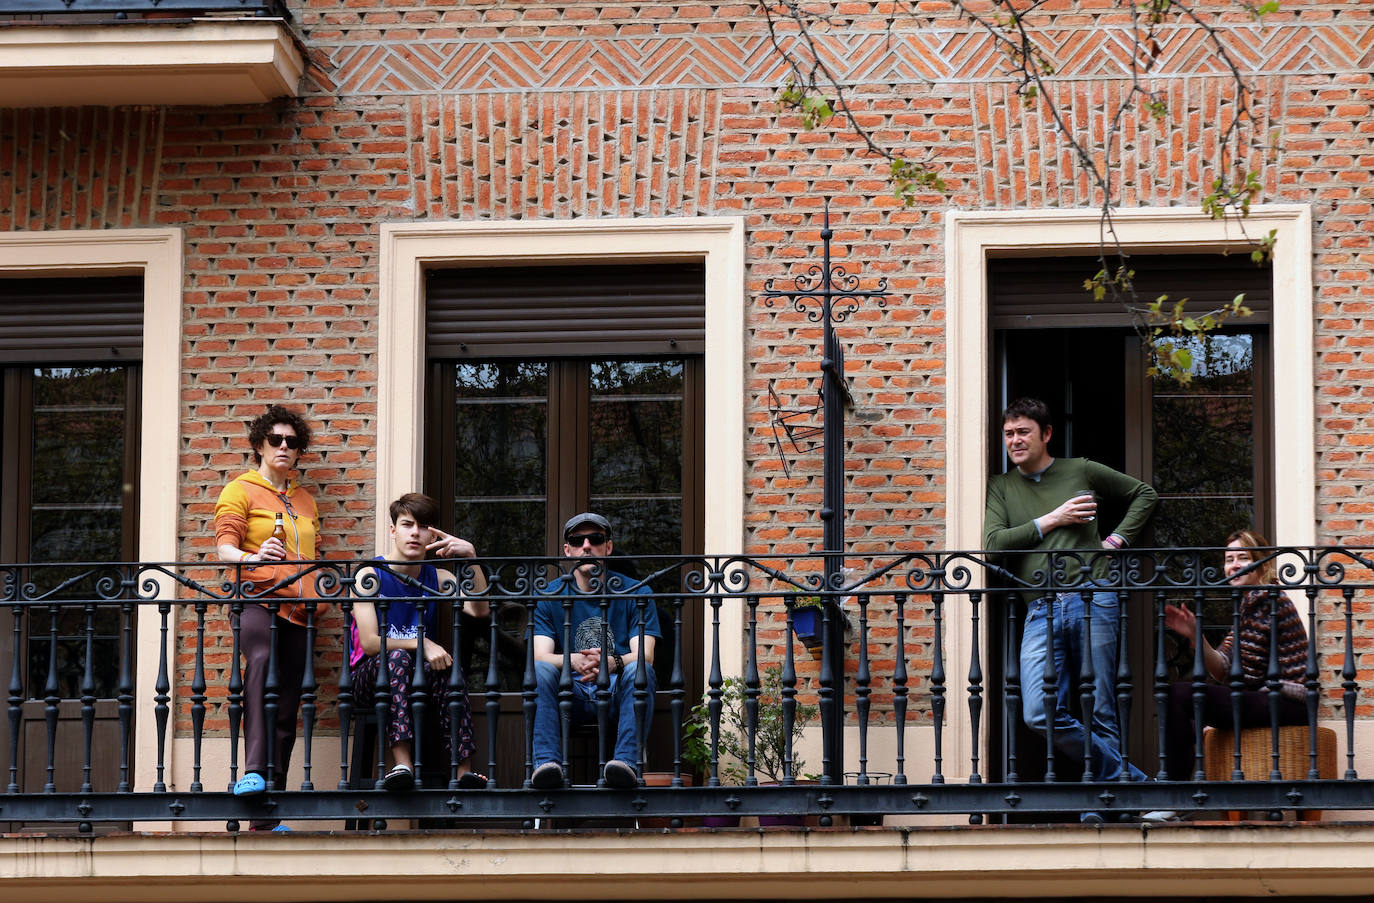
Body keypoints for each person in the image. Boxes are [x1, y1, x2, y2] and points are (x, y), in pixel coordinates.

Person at [983, 397, 1158, 817]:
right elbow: (991, 547)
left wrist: (1115, 542)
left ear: (1046, 434)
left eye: (1023, 431)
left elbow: (1144, 494)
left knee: (1098, 706)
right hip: (1040, 608)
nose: (1015, 440)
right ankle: (1137, 788)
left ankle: (1103, 805)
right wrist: (1053, 518)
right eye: (1008, 434)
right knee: (1038, 713)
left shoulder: (1079, 469)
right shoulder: (1001, 487)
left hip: (1092, 595)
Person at [214, 405, 321, 831]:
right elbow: (224, 548)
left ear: (298, 452)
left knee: (290, 697)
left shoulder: (305, 499)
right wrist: (255, 556)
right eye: (275, 439)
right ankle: (254, 770)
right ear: (259, 444)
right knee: (260, 665)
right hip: (256, 598)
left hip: (301, 610)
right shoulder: (240, 490)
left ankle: (268, 808)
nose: (283, 447)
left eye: (291, 442)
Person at [350, 493, 491, 791]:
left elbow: (480, 609)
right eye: (407, 524)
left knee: (449, 669)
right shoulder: (369, 574)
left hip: (413, 677)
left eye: (423, 526)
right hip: (367, 678)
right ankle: (402, 764)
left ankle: (463, 771)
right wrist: (422, 642)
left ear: (432, 534)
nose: (415, 532)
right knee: (398, 659)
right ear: (393, 530)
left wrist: (471, 556)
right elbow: (371, 642)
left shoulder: (436, 576)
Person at [1156, 530, 1308, 788]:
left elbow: (1245, 675)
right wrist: (1196, 635)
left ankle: (1174, 793)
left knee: (1179, 696)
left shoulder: (1268, 600)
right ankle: (1177, 789)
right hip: (1266, 697)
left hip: (1287, 701)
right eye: (1229, 559)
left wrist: (1211, 714)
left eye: (1243, 557)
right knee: (1184, 700)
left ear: (1261, 564)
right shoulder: (1249, 604)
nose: (1234, 565)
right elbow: (1224, 666)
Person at [530, 513, 660, 790]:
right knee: (540, 670)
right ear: (568, 551)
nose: (586, 546)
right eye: (577, 541)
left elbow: (645, 654)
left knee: (642, 670)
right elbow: (540, 656)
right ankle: (545, 766)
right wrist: (573, 660)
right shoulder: (549, 595)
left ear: (608, 547)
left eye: (595, 539)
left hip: (616, 693)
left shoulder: (637, 591)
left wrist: (612, 662)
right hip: (571, 696)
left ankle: (625, 765)